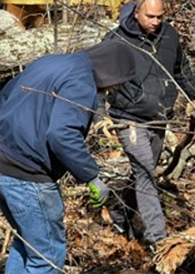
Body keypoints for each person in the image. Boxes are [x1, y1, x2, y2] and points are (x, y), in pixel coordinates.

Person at [0, 40, 136, 274]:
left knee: (29, 245)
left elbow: (5, 97)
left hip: (4, 164)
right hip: (29, 176)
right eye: (118, 84)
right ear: (112, 72)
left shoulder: (50, 62)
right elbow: (62, 134)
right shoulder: (81, 82)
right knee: (47, 257)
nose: (113, 91)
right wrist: (91, 176)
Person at [95, 0, 195, 247]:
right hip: (127, 118)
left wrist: (193, 97)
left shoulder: (169, 35)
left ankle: (120, 211)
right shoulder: (116, 41)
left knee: (144, 174)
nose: (155, 21)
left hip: (159, 117)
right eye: (150, 16)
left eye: (160, 16)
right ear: (136, 13)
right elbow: (93, 77)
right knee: (145, 175)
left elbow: (180, 67)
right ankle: (159, 241)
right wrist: (100, 116)